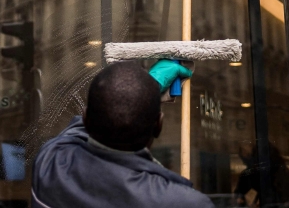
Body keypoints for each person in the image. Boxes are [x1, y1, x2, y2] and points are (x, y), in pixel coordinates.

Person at [32, 60, 214, 208]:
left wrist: (150, 88)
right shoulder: (185, 203)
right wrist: (149, 91)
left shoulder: (50, 164)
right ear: (159, 125)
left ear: (86, 119)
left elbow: (72, 134)